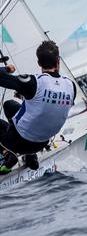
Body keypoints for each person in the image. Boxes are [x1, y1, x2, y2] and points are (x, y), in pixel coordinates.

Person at [0, 41, 76, 173]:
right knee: (10, 105)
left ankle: (8, 153)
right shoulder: (71, 86)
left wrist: (6, 69)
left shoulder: (33, 82)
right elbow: (51, 106)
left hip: (18, 143)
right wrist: (26, 97)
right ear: (58, 60)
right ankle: (30, 157)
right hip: (42, 143)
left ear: (39, 63)